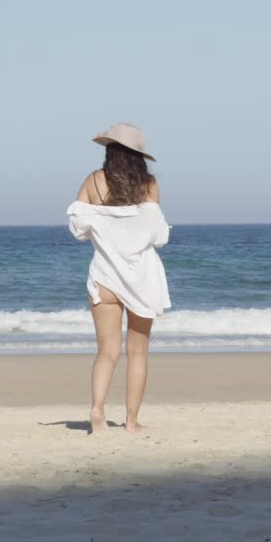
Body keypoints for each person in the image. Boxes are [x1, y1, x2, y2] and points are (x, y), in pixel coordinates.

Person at [66, 123, 171, 434]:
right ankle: (131, 421)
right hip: (142, 279)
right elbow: (158, 235)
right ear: (139, 155)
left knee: (106, 352)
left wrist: (104, 223)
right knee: (137, 352)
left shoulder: (94, 181)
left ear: (110, 150)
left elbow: (77, 229)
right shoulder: (149, 185)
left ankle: (97, 411)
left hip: (104, 277)